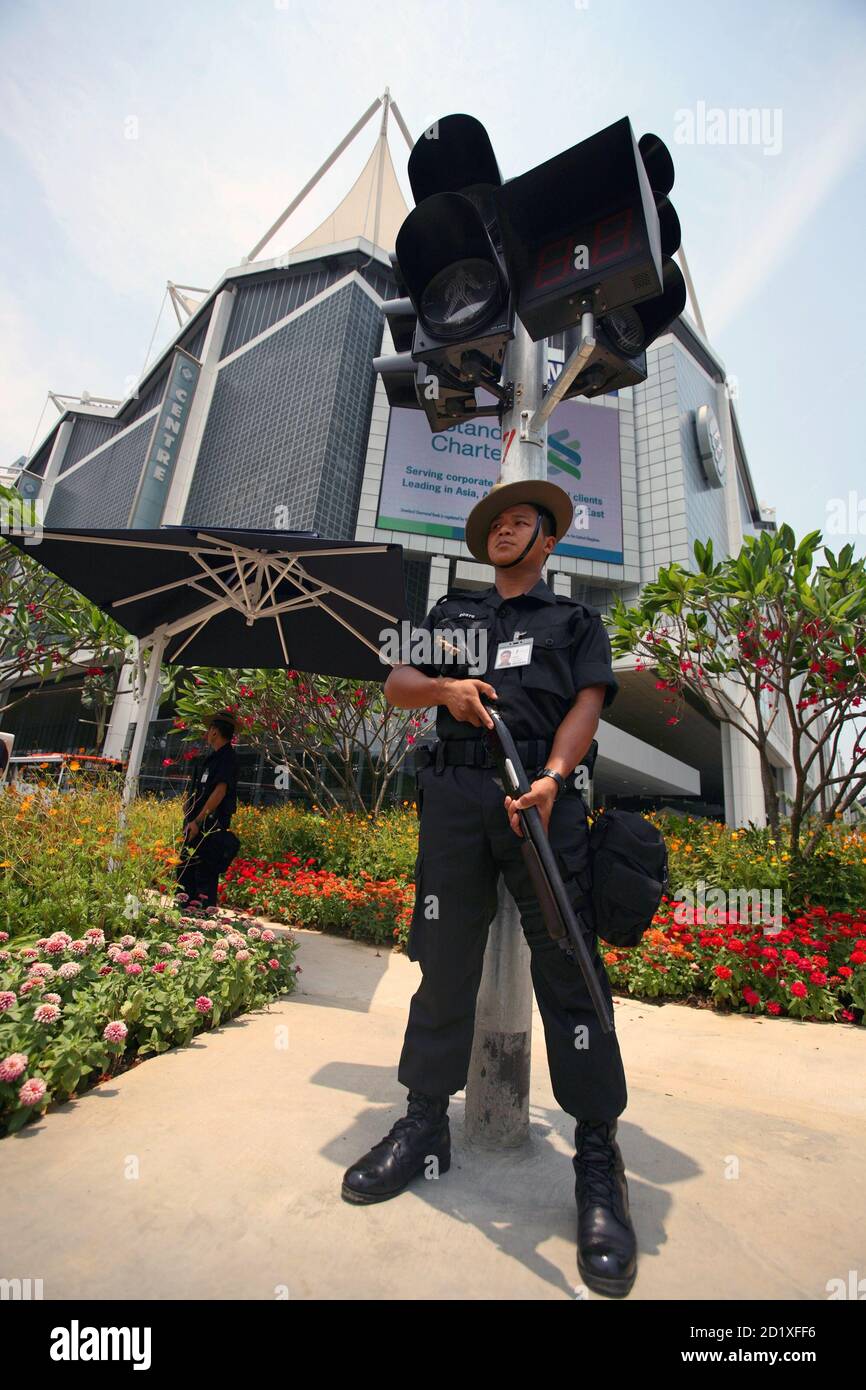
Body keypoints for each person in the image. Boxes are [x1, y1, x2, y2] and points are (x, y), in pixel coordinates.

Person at [340, 479, 637, 1298]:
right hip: (457, 801)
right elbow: (398, 684)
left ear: (547, 543)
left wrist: (553, 776)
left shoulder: (574, 621)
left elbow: (587, 708)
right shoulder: (452, 614)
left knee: (570, 969)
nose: (505, 530)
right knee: (444, 962)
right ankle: (425, 1122)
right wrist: (446, 690)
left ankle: (599, 1160)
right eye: (496, 523)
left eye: (520, 522)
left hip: (539, 800)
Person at [176, 712, 239, 911]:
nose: (207, 732)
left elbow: (220, 790)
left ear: (215, 732)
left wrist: (199, 820)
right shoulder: (213, 758)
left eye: (210, 728)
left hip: (209, 828)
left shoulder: (227, 758)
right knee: (186, 872)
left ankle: (199, 922)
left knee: (203, 876)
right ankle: (184, 915)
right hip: (198, 826)